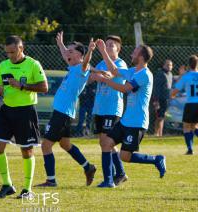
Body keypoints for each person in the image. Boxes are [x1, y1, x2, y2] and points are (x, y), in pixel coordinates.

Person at [91, 40, 166, 188]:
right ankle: (108, 181)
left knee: (125, 156)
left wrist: (104, 80)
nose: (132, 53)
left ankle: (156, 159)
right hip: (126, 121)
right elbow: (114, 70)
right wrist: (103, 51)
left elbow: (125, 88)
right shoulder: (133, 70)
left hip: (137, 122)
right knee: (106, 143)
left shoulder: (145, 74)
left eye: (135, 51)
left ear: (141, 56)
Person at [35, 31, 97, 187]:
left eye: (71, 51)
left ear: (80, 55)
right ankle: (88, 167)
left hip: (62, 114)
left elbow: (86, 62)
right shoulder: (73, 67)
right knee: (65, 144)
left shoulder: (83, 68)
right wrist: (60, 44)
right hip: (63, 113)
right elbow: (66, 55)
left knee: (46, 145)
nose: (67, 54)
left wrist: (90, 50)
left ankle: (51, 180)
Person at [0, 35, 48, 199]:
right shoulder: (3, 65)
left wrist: (22, 86)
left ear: (21, 49)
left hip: (25, 111)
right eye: (7, 52)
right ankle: (7, 185)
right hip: (7, 110)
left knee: (26, 150)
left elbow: (44, 87)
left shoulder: (33, 64)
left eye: (13, 52)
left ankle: (27, 189)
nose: (10, 55)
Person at [92, 35, 128, 186]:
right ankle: (120, 173)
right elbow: (91, 77)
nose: (107, 47)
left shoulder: (121, 64)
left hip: (112, 108)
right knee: (104, 142)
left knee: (107, 142)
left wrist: (101, 74)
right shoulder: (101, 63)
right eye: (106, 44)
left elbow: (112, 74)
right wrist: (96, 75)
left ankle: (110, 179)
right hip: (100, 108)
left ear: (118, 49)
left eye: (111, 45)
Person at [171, 55, 198, 155]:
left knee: (187, 127)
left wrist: (173, 95)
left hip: (191, 104)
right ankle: (190, 149)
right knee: (194, 127)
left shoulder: (186, 77)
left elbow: (175, 91)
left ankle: (190, 149)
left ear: (188, 65)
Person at [153, 59, 173, 137]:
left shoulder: (170, 74)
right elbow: (156, 88)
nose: (169, 66)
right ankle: (157, 134)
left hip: (166, 99)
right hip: (159, 99)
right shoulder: (160, 74)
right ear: (163, 65)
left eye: (170, 65)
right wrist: (156, 100)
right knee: (159, 117)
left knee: (162, 116)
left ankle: (159, 134)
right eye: (167, 65)